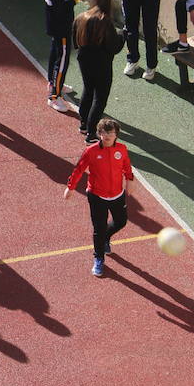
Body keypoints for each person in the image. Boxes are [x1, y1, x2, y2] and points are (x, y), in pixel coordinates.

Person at [63, 117, 134, 278]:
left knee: (121, 222)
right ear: (99, 134)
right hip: (97, 196)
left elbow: (126, 165)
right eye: (104, 132)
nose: (107, 135)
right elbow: (79, 169)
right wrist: (71, 187)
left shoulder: (122, 149)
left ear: (116, 135)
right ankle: (99, 258)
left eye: (111, 132)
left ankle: (106, 238)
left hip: (117, 194)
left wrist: (130, 180)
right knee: (99, 228)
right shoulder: (91, 151)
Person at [71, 0, 124, 143]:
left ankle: (83, 124)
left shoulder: (81, 17)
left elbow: (74, 39)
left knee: (88, 89)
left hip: (83, 58)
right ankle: (91, 133)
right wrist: (123, 35)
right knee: (100, 97)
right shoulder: (105, 22)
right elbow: (114, 47)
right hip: (101, 63)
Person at [40, 0, 78, 112]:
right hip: (60, 29)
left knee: (56, 55)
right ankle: (54, 96)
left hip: (61, 28)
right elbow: (60, 9)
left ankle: (53, 83)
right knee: (62, 61)